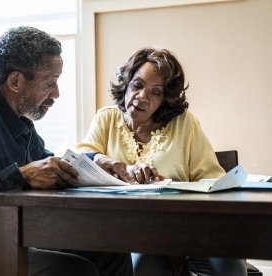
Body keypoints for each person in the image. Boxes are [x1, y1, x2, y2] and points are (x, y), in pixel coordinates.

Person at [0, 26, 133, 276]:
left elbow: (46, 164)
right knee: (74, 269)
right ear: (16, 81)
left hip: (5, 237)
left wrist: (96, 160)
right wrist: (19, 177)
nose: (57, 93)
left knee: (111, 250)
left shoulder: (17, 120)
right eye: (50, 83)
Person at [76, 46, 247, 276]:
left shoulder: (185, 124)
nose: (142, 97)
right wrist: (108, 161)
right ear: (126, 83)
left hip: (188, 232)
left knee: (230, 266)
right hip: (130, 235)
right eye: (137, 85)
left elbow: (213, 179)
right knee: (146, 268)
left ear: (165, 98)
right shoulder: (106, 119)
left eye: (155, 92)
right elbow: (82, 159)